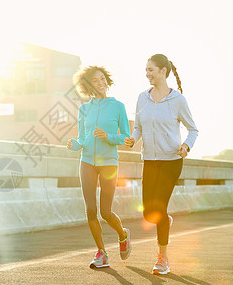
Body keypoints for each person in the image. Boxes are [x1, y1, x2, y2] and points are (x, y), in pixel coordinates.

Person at [124, 54, 198, 275]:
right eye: (145, 70)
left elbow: (193, 129)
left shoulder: (178, 100)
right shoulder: (142, 98)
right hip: (149, 161)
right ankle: (165, 220)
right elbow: (138, 127)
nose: (147, 74)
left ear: (163, 71)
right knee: (149, 213)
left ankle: (162, 258)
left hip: (171, 162)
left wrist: (186, 146)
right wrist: (132, 138)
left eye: (151, 70)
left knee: (160, 209)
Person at [67, 65, 132, 268]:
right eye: (96, 81)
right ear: (88, 86)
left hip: (109, 163)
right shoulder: (84, 109)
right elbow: (83, 139)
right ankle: (102, 252)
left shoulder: (118, 106)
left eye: (103, 78)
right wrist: (75, 145)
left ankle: (123, 234)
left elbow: (126, 137)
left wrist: (108, 137)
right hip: (86, 161)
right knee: (91, 210)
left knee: (105, 212)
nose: (101, 83)